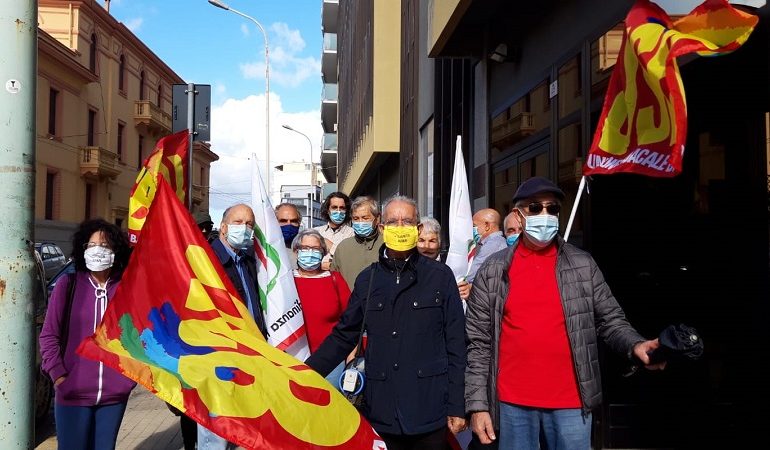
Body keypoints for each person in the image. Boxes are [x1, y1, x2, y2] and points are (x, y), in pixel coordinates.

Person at [465, 177, 665, 450]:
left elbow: (610, 320)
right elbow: (479, 343)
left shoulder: (583, 264)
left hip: (571, 404)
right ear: (519, 215)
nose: (545, 215)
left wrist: (635, 344)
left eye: (552, 208)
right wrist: (478, 407)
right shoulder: (493, 270)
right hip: (512, 404)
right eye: (535, 208)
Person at [306, 195, 467, 450]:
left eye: (407, 221)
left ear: (417, 228)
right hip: (381, 409)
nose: (400, 227)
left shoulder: (439, 276)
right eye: (393, 221)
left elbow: (457, 343)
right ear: (382, 228)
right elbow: (344, 335)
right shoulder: (367, 279)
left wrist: (458, 405)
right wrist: (303, 372)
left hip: (428, 408)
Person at [39, 219, 137, 450]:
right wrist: (60, 377)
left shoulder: (126, 290)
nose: (97, 250)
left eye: (104, 245)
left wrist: (128, 380)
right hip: (73, 393)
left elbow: (136, 337)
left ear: (115, 251)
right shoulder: (67, 285)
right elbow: (49, 335)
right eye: (91, 245)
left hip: (113, 396)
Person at [198, 203, 267, 450]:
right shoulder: (206, 260)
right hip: (218, 357)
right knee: (215, 433)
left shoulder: (247, 259)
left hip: (248, 355)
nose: (245, 229)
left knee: (241, 428)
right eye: (239, 223)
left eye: (250, 224)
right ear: (224, 227)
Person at [292, 229, 352, 387]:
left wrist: (351, 359)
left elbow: (352, 323)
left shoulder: (335, 279)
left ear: (323, 252)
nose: (310, 253)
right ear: (296, 251)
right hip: (292, 361)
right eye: (305, 248)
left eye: (316, 249)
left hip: (331, 363)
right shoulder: (286, 282)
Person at [331, 196, 383, 290]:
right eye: (356, 218)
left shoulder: (387, 245)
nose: (360, 222)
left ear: (377, 219)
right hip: (350, 303)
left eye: (365, 218)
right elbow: (333, 281)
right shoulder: (343, 247)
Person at [314, 192, 354, 270]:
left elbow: (350, 260)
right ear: (328, 210)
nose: (338, 211)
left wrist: (331, 246)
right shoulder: (317, 232)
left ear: (346, 211)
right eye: (334, 207)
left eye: (342, 208)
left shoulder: (352, 233)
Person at [467, 208, 507, 283]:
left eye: (474, 225)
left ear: (487, 226)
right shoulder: (484, 243)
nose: (472, 229)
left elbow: (471, 274)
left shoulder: (493, 243)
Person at [275, 202, 302, 268]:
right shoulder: (265, 250)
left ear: (299, 224)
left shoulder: (306, 250)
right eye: (283, 221)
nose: (289, 224)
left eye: (293, 221)